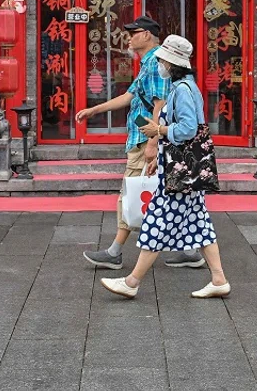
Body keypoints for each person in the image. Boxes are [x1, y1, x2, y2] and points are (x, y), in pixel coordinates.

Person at [100, 35, 230, 299]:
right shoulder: (186, 86)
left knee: (156, 223)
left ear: (171, 64)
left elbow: (188, 128)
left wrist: (158, 129)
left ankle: (132, 282)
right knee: (199, 224)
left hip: (181, 172)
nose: (159, 64)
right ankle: (218, 279)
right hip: (186, 169)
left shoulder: (181, 89)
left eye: (161, 60)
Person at [77, 16, 204, 270]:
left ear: (146, 34)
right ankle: (191, 250)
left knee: (129, 194)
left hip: (147, 139)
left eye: (133, 33)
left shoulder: (158, 61)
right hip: (147, 138)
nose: (128, 37)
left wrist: (152, 143)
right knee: (173, 196)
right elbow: (129, 96)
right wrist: (94, 110)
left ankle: (115, 252)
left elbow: (160, 104)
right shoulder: (148, 63)